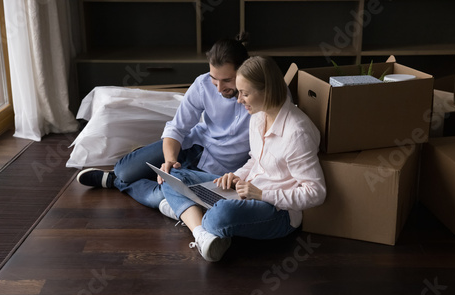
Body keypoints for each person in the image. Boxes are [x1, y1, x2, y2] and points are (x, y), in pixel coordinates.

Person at [161, 56, 327, 262]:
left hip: (279, 212)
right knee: (171, 176)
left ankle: (187, 212)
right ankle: (201, 232)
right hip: (247, 192)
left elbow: (316, 193)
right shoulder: (258, 116)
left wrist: (262, 193)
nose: (239, 100)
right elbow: (255, 160)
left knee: (221, 214)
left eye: (245, 93)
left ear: (267, 91)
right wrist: (235, 176)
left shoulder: (297, 133)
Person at [76, 37, 251, 212]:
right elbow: (177, 128)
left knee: (167, 197)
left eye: (227, 80)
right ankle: (123, 176)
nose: (219, 88)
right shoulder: (203, 84)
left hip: (217, 170)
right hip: (191, 146)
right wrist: (170, 160)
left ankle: (117, 181)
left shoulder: (258, 99)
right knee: (123, 170)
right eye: (214, 79)